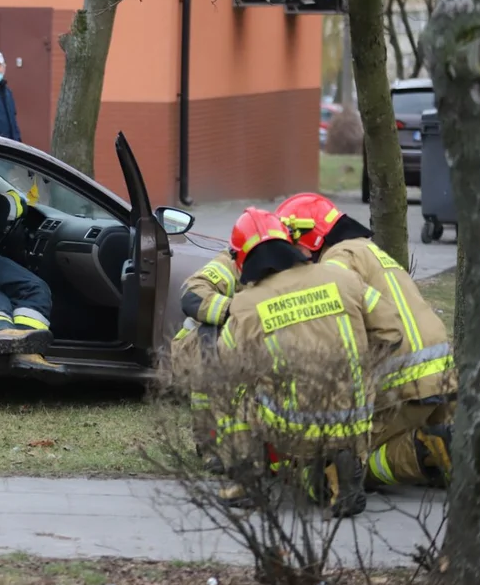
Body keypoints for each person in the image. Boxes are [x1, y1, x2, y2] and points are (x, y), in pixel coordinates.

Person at [214, 208, 405, 517]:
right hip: (353, 420)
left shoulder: (246, 306)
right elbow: (392, 330)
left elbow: (226, 370)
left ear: (241, 258)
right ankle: (338, 469)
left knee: (230, 396)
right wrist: (361, 369)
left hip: (290, 427)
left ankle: (248, 482)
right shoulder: (342, 277)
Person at [275, 192, 456, 489]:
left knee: (351, 463)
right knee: (447, 458)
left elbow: (339, 320)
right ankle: (440, 451)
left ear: (309, 236)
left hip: (403, 382)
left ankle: (425, 448)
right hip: (440, 375)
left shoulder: (337, 261)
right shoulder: (370, 251)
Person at [0, 187, 62, 374]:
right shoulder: (7, 200)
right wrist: (23, 203)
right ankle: (28, 351)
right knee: (34, 287)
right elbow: (13, 204)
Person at [171, 248, 241, 472]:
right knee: (207, 353)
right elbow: (192, 294)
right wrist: (238, 312)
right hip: (202, 348)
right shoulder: (231, 264)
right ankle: (210, 447)